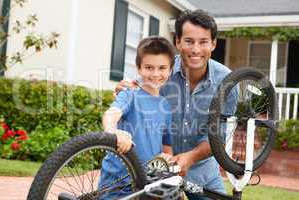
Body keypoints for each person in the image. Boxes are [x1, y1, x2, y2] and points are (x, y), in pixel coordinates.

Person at [115, 9, 238, 200]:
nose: (196, 49)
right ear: (177, 42)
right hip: (159, 168)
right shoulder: (162, 72)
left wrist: (190, 158)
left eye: (203, 42)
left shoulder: (228, 82)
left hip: (203, 171)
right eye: (189, 41)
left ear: (213, 44)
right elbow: (137, 92)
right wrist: (125, 89)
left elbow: (218, 137)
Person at [98, 36, 176, 199]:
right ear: (139, 69)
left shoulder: (166, 108)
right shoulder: (129, 94)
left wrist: (167, 158)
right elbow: (111, 114)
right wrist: (114, 132)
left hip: (145, 184)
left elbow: (167, 148)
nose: (155, 74)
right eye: (149, 67)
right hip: (117, 182)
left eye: (162, 68)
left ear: (170, 70)